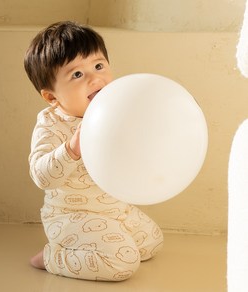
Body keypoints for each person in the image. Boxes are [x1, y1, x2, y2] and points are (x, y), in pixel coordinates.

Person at [24, 20, 163, 281]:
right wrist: (71, 149)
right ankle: (54, 256)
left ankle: (102, 241)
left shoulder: (113, 110)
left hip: (113, 208)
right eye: (77, 74)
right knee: (124, 264)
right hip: (71, 216)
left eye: (98, 66)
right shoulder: (51, 124)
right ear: (52, 97)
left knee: (152, 243)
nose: (94, 78)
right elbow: (41, 176)